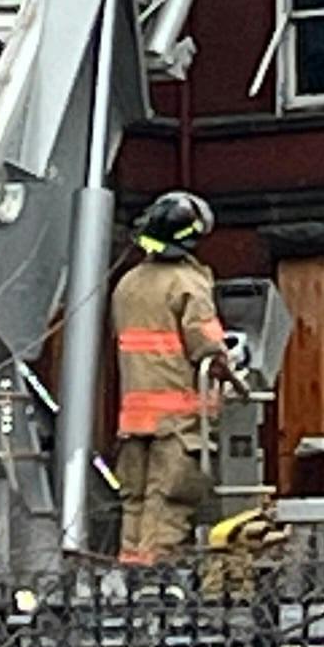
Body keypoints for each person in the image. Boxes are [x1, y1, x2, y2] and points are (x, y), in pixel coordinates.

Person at [108, 188, 235, 565]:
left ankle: (127, 580)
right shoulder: (188, 284)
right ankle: (155, 581)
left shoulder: (127, 284)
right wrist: (229, 368)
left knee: (135, 501)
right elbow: (208, 349)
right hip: (178, 419)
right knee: (169, 500)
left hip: (134, 417)